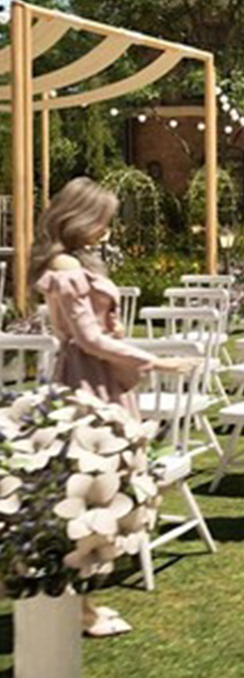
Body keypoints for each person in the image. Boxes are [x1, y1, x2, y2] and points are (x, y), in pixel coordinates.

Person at [31, 177, 198, 637]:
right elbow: (88, 338)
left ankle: (86, 602)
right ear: (80, 216)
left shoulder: (75, 261)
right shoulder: (65, 265)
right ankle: (80, 606)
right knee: (90, 489)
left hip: (99, 372)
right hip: (88, 378)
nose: (106, 227)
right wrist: (155, 359)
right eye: (102, 218)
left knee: (101, 485)